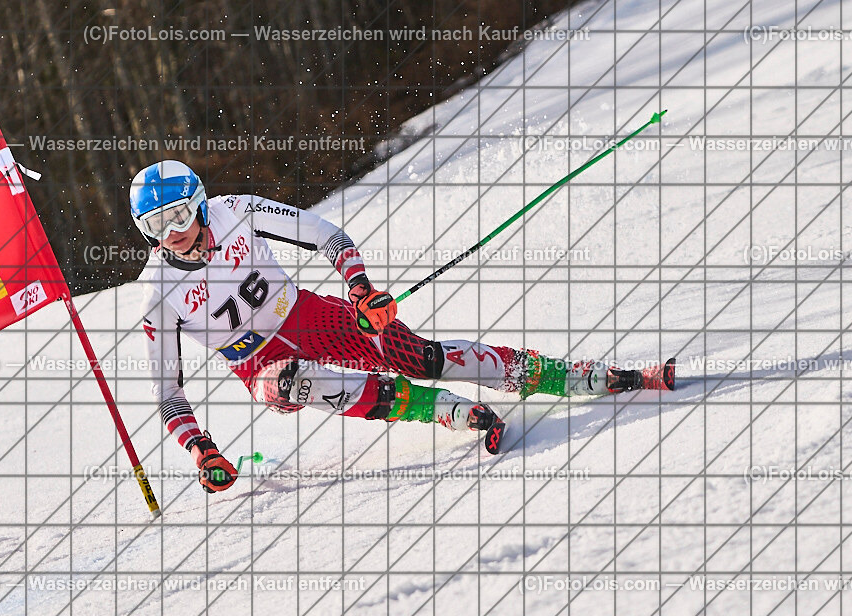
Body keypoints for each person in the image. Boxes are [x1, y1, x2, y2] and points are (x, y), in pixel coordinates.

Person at [132, 161, 674, 494]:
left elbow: (326, 234)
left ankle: (587, 376)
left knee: (414, 353)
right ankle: (441, 410)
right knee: (291, 381)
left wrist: (362, 290)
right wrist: (202, 450)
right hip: (259, 363)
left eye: (178, 216)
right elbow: (167, 392)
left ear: (200, 205)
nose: (172, 233)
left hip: (308, 315)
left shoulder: (239, 210)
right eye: (155, 226)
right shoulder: (158, 291)